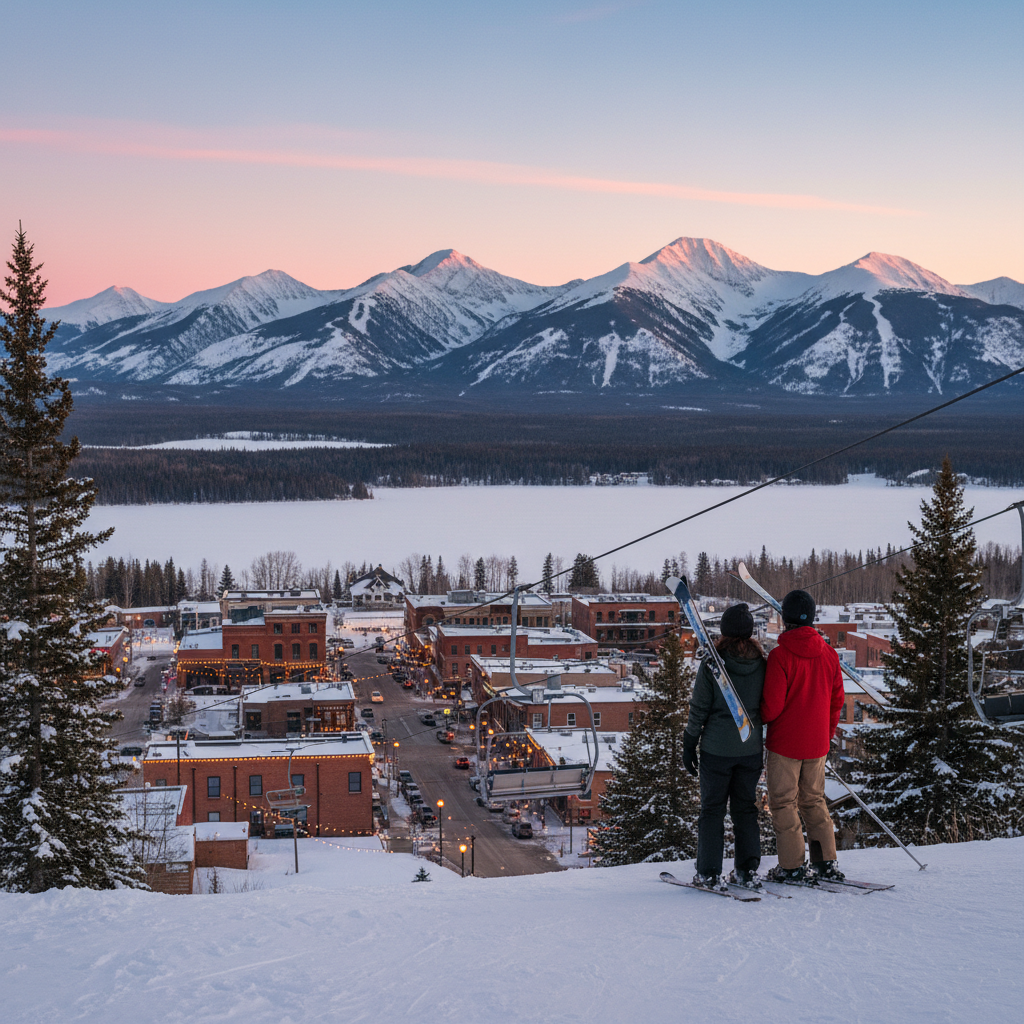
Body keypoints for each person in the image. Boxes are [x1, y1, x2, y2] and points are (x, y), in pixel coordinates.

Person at [760, 589, 846, 881]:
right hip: (817, 744)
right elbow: (837, 701)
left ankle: (792, 865)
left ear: (785, 618)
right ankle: (825, 862)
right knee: (814, 801)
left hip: (785, 744)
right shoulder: (830, 654)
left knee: (784, 803)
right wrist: (827, 733)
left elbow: (771, 708)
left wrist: (757, 716)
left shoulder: (780, 656)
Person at [683, 602, 766, 890]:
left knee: (712, 810)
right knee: (745, 809)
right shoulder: (762, 664)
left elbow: (699, 707)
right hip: (750, 749)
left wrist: (689, 741)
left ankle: (708, 872)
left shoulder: (713, 665)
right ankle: (747, 870)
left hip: (716, 750)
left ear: (724, 631)